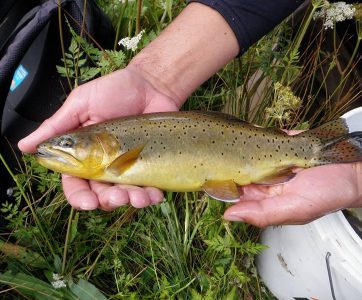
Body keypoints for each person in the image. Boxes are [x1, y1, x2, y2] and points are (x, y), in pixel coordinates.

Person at [18, 1, 362, 227]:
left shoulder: (117, 159)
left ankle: (317, 149)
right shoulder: (115, 152)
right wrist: (154, 76)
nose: (56, 147)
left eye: (67, 142)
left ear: (102, 141)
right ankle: (321, 148)